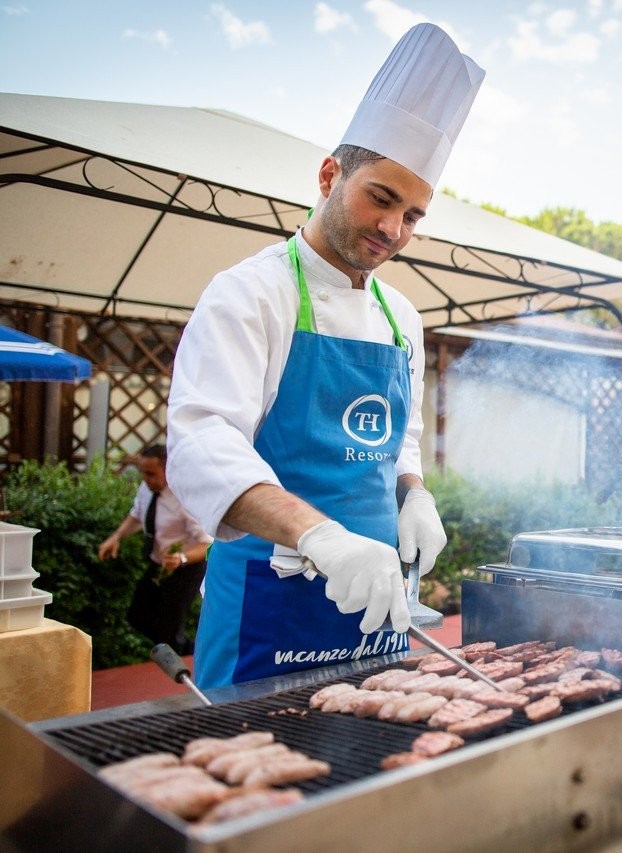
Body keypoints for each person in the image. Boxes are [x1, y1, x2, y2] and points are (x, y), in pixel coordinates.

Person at [166, 24, 484, 688]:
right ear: (329, 174)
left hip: (375, 612)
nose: (393, 229)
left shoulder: (403, 320)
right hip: (267, 609)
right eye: (382, 198)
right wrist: (320, 536)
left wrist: (415, 493)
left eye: (415, 215)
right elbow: (202, 444)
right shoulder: (250, 294)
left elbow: (402, 442)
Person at [97, 444, 212, 655]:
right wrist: (116, 537)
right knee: (137, 616)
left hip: (186, 569)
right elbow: (136, 516)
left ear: (168, 470)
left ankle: (185, 653)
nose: (146, 479)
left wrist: (182, 558)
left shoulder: (184, 499)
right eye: (142, 472)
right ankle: (181, 648)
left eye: (151, 473)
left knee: (168, 631)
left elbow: (208, 544)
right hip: (158, 564)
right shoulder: (146, 489)